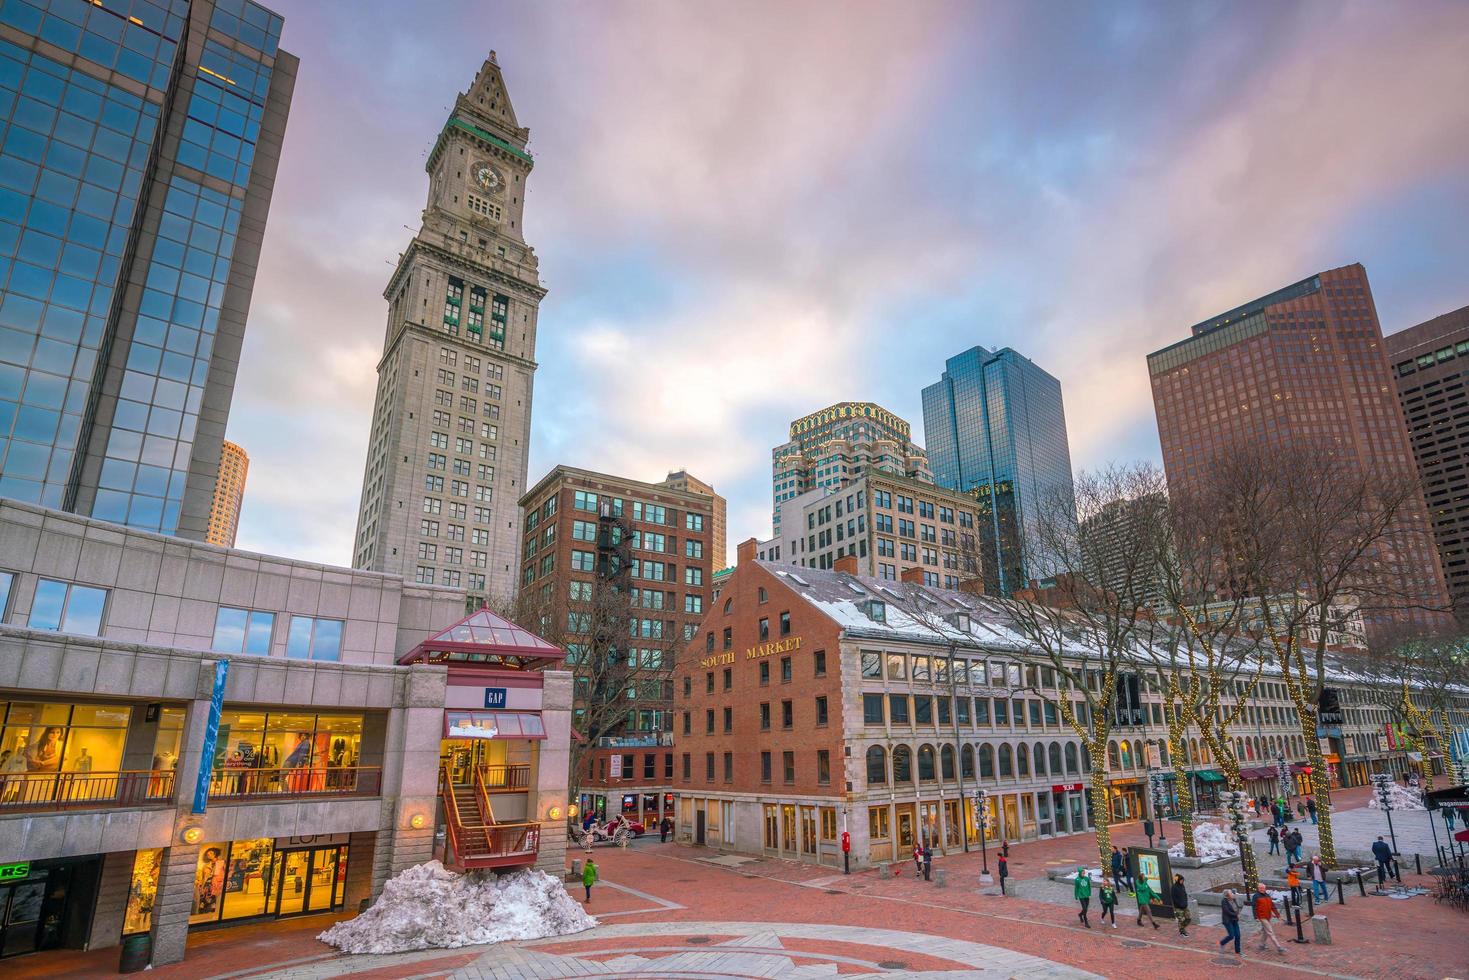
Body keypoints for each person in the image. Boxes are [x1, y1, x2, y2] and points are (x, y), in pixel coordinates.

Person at [1253, 883, 1285, 953]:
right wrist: (1256, 917)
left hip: (1268, 916)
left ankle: (1261, 945)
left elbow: (1272, 906)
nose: (1262, 889)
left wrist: (1278, 915)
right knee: (1270, 931)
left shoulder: (1267, 895)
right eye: (1260, 888)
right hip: (1262, 917)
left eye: (1263, 888)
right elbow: (1254, 907)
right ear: (1258, 889)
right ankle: (1278, 947)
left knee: (1265, 931)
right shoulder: (1256, 896)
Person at [1219, 889, 1242, 955]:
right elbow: (1227, 911)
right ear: (1227, 896)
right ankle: (1222, 943)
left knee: (1238, 935)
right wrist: (1236, 914)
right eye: (1231, 893)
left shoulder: (1234, 900)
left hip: (1234, 920)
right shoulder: (1224, 901)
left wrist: (1237, 912)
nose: (1232, 894)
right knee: (1231, 935)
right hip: (1228, 920)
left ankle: (1238, 951)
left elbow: (1237, 908)